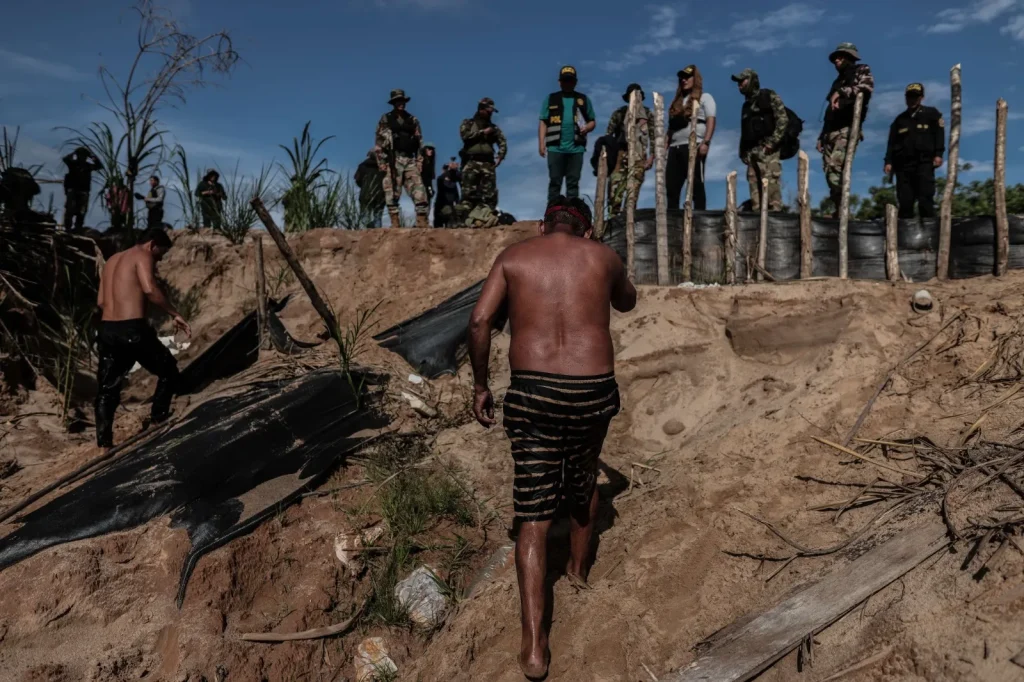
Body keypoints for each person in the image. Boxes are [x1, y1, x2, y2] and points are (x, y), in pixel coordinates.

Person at [467, 196, 636, 681]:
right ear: (585, 230)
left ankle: (535, 647)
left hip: (534, 393)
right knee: (582, 483)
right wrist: (604, 268)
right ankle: (577, 575)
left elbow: (479, 321)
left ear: (543, 225)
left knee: (535, 513)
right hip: (592, 391)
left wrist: (480, 384)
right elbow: (627, 300)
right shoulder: (602, 256)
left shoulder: (515, 257)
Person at [94, 227, 191, 450]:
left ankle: (104, 444)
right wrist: (174, 313)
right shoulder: (142, 254)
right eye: (161, 254)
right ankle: (159, 419)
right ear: (152, 244)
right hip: (132, 329)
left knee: (107, 388)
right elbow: (149, 289)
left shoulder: (112, 261)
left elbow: (100, 302)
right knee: (168, 370)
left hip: (107, 329)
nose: (159, 259)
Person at [817, 43, 874, 215]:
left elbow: (866, 88)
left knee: (836, 170)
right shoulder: (837, 80)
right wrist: (822, 136)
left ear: (850, 57)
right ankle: (839, 209)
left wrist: (842, 92)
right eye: (835, 58)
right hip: (830, 131)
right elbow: (830, 111)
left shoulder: (861, 70)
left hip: (846, 129)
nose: (837, 60)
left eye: (841, 56)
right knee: (829, 173)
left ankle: (843, 210)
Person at [884, 83, 945, 220]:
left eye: (915, 97)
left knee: (925, 198)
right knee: (905, 201)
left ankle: (929, 232)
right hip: (903, 166)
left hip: (924, 162)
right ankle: (904, 236)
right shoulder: (900, 120)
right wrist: (888, 161)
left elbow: (939, 135)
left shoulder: (931, 114)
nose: (912, 100)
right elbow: (891, 143)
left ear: (921, 97)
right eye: (909, 97)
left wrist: (938, 154)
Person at [538, 66, 597, 204]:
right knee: (555, 181)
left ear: (575, 82)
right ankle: (551, 213)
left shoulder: (583, 99)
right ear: (559, 82)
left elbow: (592, 121)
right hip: (555, 148)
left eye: (570, 80)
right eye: (565, 80)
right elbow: (543, 122)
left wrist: (587, 128)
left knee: (573, 182)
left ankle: (571, 214)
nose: (567, 83)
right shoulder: (551, 99)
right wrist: (541, 143)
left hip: (576, 148)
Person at [733, 68, 789, 212]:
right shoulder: (746, 106)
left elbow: (783, 119)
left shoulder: (768, 95)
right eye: (738, 82)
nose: (739, 85)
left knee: (771, 195)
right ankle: (758, 225)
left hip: (768, 151)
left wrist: (772, 142)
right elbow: (744, 130)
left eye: (742, 80)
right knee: (756, 198)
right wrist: (743, 152)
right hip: (752, 152)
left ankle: (774, 226)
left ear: (752, 80)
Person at [375, 89, 430, 228]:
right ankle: (395, 223)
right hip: (393, 159)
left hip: (410, 159)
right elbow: (379, 143)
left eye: (403, 101)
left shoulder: (412, 119)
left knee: (419, 190)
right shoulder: (386, 119)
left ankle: (422, 222)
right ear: (394, 103)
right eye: (398, 101)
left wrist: (419, 161)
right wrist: (381, 162)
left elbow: (420, 141)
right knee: (392, 191)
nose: (401, 104)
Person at [666, 65, 716, 211]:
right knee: (671, 187)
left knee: (696, 184)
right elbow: (670, 129)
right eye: (681, 77)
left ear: (696, 79)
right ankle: (672, 221)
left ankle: (700, 218)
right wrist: (663, 148)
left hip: (694, 145)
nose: (684, 80)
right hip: (675, 148)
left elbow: (711, 120)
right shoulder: (676, 103)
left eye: (687, 77)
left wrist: (706, 142)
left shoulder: (705, 97)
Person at [605, 83, 655, 217]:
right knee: (614, 193)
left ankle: (628, 222)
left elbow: (653, 137)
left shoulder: (648, 114)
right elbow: (608, 136)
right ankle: (612, 221)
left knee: (632, 194)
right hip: (620, 155)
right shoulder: (619, 113)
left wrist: (651, 157)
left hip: (639, 156)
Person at [456, 98, 508, 227]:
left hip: (488, 164)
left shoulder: (494, 128)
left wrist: (501, 155)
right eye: (488, 110)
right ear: (481, 109)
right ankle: (463, 222)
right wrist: (482, 133)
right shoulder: (468, 123)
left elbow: (502, 141)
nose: (490, 114)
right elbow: (465, 136)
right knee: (468, 195)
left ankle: (484, 221)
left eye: (491, 111)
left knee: (489, 195)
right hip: (471, 162)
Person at [62, 146, 101, 231]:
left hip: (83, 191)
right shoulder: (73, 164)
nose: (82, 157)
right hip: (74, 190)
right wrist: (74, 153)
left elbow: (99, 166)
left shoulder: (87, 166)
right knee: (70, 210)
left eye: (84, 155)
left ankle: (77, 228)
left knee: (81, 211)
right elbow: (65, 159)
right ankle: (68, 228)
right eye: (81, 155)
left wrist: (92, 156)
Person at [354, 151, 386, 228]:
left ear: (369, 156)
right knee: (378, 218)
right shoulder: (384, 168)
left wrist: (364, 187)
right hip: (380, 196)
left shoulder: (362, 166)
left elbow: (358, 180)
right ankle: (378, 237)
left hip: (365, 194)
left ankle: (363, 236)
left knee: (364, 218)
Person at [434, 158, 462, 227]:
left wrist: (455, 171)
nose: (447, 170)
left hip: (451, 206)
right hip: (441, 207)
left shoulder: (453, 182)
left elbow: (456, 196)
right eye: (446, 168)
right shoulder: (440, 179)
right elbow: (444, 178)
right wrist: (450, 170)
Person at [421, 142, 437, 213]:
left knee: (428, 202)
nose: (431, 151)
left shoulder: (431, 163)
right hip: (420, 185)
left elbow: (430, 179)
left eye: (432, 149)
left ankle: (426, 220)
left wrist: (431, 189)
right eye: (429, 149)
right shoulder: (421, 161)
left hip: (428, 185)